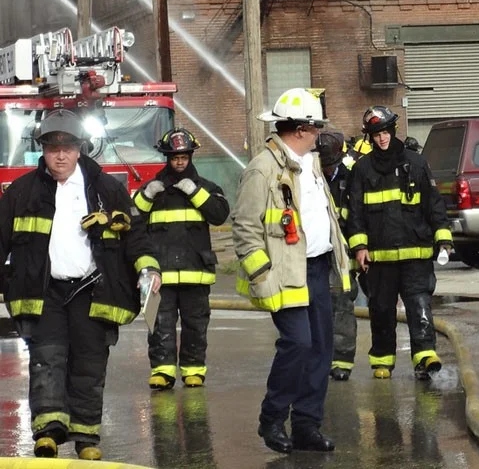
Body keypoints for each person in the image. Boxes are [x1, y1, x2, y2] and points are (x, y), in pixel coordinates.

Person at [0, 109, 161, 460]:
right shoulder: (21, 192)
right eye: (52, 147)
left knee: (90, 362)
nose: (60, 154)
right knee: (47, 359)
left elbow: (135, 236)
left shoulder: (106, 189)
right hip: (44, 292)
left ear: (80, 149)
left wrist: (148, 269)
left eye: (67, 147)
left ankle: (87, 436)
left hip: (93, 290)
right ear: (42, 150)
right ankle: (47, 432)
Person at [231, 87, 351, 454]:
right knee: (298, 344)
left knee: (320, 350)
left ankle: (306, 426)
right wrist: (262, 277)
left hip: (316, 269)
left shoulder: (311, 166)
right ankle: (272, 418)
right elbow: (245, 228)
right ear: (300, 129)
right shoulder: (262, 169)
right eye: (316, 129)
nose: (319, 136)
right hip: (284, 275)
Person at [346, 105, 453, 380]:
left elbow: (434, 205)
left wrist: (443, 238)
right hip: (379, 259)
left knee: (419, 305)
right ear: (370, 137)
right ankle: (382, 360)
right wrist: (359, 248)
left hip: (415, 254)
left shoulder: (416, 164)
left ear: (393, 132)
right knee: (381, 311)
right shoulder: (362, 169)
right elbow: (355, 212)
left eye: (385, 133)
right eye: (376, 134)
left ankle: (425, 355)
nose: (381, 139)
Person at [133, 128, 230, 390]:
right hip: (158, 274)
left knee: (195, 324)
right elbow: (131, 220)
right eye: (174, 157)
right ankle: (162, 371)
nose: (179, 162)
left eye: (184, 157)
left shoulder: (207, 188)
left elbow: (220, 214)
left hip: (195, 272)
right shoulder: (153, 190)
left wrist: (195, 191)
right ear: (167, 157)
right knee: (159, 323)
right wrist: (146, 196)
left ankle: (193, 370)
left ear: (190, 156)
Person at [316, 130, 358, 381]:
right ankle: (320, 359)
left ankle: (342, 361)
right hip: (317, 252)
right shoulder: (308, 179)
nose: (328, 169)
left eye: (331, 164)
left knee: (343, 305)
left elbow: (358, 217)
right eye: (324, 164)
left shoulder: (351, 179)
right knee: (317, 307)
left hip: (343, 255)